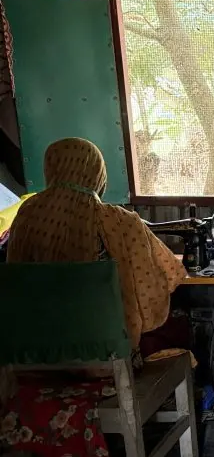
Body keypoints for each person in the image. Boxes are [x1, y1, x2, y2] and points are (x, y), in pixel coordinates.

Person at [6, 137, 187, 359]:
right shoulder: (117, 220)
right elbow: (158, 285)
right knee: (179, 328)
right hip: (104, 355)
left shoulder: (27, 213)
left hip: (33, 354)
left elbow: (14, 279)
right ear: (97, 173)